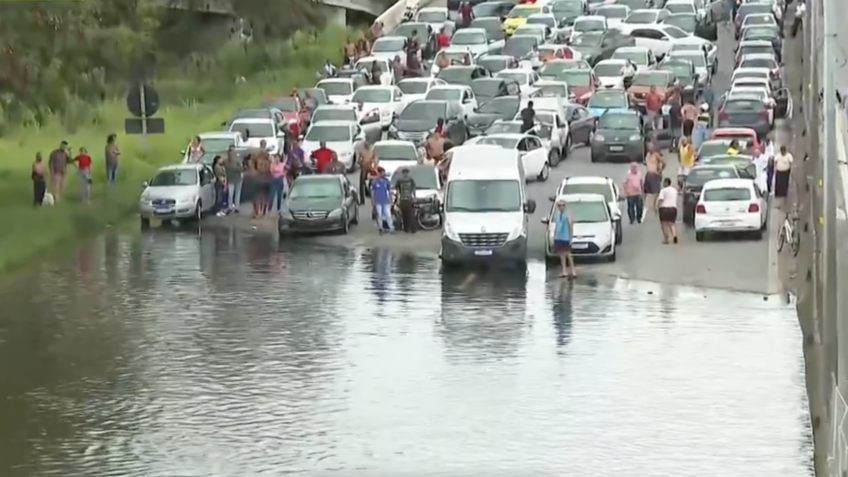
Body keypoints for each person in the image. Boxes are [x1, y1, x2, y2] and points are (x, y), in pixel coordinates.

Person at [551, 198, 575, 278]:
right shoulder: (557, 215)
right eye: (559, 205)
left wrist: (571, 237)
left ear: (565, 206)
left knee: (568, 254)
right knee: (561, 255)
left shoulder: (568, 215)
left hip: (566, 237)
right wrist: (554, 236)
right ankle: (564, 271)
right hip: (559, 237)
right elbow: (556, 226)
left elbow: (570, 226)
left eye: (563, 205)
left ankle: (573, 271)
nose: (561, 207)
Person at [248, 144, 271, 218]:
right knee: (264, 197)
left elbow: (258, 169)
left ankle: (258, 212)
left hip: (260, 180)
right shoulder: (268, 161)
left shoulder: (259, 161)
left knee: (257, 197)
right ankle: (262, 212)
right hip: (267, 179)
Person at [370, 168, 394, 233]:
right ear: (379, 173)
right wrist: (373, 202)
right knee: (379, 215)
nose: (384, 174)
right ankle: (380, 228)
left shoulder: (386, 181)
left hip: (386, 201)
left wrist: (391, 199)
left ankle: (391, 227)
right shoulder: (374, 182)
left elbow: (389, 191)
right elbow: (372, 192)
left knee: (388, 215)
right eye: (383, 172)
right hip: (378, 201)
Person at [643, 142, 665, 217]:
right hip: (648, 174)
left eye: (651, 147)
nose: (649, 149)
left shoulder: (656, 155)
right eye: (648, 147)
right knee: (645, 191)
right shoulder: (647, 154)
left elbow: (663, 162)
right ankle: (643, 204)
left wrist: (659, 171)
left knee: (655, 192)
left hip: (655, 175)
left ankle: (654, 206)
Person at [656, 177, 679, 244]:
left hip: (664, 208)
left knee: (664, 224)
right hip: (673, 208)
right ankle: (674, 235)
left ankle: (666, 239)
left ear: (666, 183)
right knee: (672, 223)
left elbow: (661, 199)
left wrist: (657, 207)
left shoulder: (663, 190)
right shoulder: (674, 190)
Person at [394, 168, 417, 233]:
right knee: (409, 214)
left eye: (406, 173)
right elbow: (413, 189)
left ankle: (407, 228)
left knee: (407, 215)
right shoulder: (410, 180)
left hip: (405, 199)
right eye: (405, 173)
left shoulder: (401, 180)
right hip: (406, 199)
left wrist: (414, 196)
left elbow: (397, 190)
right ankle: (411, 229)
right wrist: (414, 197)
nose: (406, 174)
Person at [225, 146, 244, 213]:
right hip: (230, 179)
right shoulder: (226, 161)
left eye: (232, 152)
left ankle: (237, 207)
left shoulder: (237, 160)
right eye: (230, 152)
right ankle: (230, 207)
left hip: (238, 179)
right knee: (230, 194)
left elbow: (241, 168)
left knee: (237, 194)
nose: (231, 154)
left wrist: (234, 169)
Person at [358, 140, 377, 205]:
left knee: (364, 183)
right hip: (367, 167)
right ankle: (364, 198)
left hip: (367, 167)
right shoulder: (368, 151)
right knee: (365, 182)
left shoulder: (367, 151)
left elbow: (359, 160)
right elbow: (359, 160)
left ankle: (364, 198)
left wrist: (361, 162)